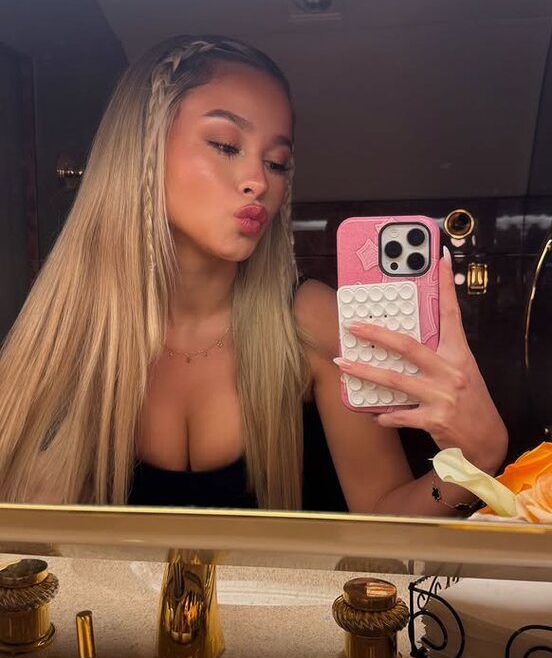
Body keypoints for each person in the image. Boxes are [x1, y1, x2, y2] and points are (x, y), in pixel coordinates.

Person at [0, 34, 507, 514]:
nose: (258, 180)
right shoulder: (64, 337)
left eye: (277, 163)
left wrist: (474, 463)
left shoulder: (312, 321)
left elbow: (383, 522)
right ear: (140, 152)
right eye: (225, 145)